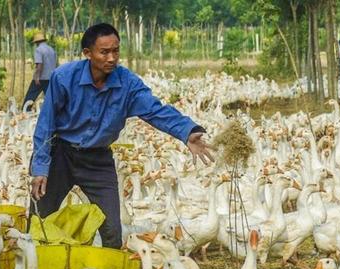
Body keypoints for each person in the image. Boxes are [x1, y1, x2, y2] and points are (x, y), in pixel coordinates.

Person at [29, 23, 214, 249]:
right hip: (61, 155)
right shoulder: (64, 78)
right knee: (38, 218)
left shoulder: (127, 84)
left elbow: (154, 110)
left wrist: (186, 131)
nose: (111, 58)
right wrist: (40, 168)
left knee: (112, 232)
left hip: (97, 161)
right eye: (104, 52)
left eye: (115, 51)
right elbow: (45, 124)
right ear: (87, 53)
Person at [23, 32, 58, 110]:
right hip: (51, 77)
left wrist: (37, 76)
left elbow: (39, 64)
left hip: (42, 77)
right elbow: (55, 64)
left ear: (37, 42)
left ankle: (25, 111)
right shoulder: (51, 49)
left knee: (31, 95)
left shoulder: (38, 50)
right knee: (51, 97)